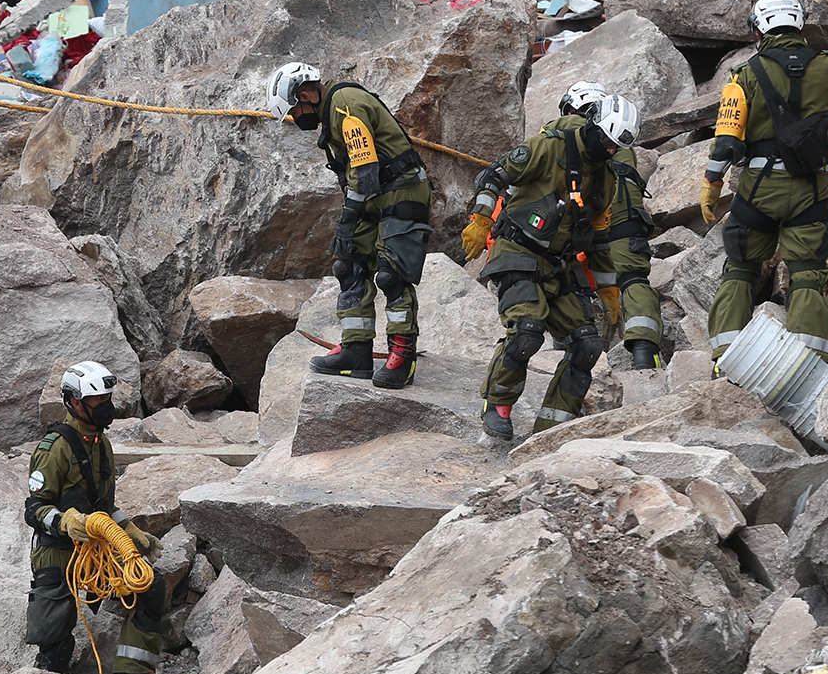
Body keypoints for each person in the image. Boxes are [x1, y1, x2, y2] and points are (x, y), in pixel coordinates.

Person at [460, 92, 640, 440]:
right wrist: (481, 219)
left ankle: (551, 429)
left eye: (616, 146)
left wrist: (608, 290)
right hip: (517, 251)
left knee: (587, 345)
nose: (609, 150)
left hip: (559, 265)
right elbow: (495, 175)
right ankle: (498, 404)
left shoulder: (606, 178)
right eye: (606, 141)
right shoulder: (549, 147)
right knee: (527, 329)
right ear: (593, 126)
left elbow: (600, 240)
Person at [700, 0, 828, 364]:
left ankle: (726, 360)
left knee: (740, 269)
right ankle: (812, 365)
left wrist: (711, 186)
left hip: (758, 191)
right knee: (807, 273)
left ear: (758, 31)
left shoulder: (742, 77)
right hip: (810, 188)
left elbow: (726, 143)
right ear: (799, 25)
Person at [268, 62, 434, 389]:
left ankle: (402, 355)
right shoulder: (330, 112)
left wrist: (348, 216)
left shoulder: (345, 105)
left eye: (293, 110)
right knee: (349, 264)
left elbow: (365, 166)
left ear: (304, 95)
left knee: (391, 273)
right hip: (376, 194)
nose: (295, 118)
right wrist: (350, 224)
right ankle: (356, 350)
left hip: (403, 190)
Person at [22, 361, 166, 674]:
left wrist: (129, 530)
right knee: (52, 637)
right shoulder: (53, 449)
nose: (107, 407)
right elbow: (35, 509)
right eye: (97, 400)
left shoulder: (102, 445)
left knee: (149, 585)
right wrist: (66, 522)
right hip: (58, 551)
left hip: (97, 548)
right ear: (74, 402)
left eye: (107, 398)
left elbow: (103, 506)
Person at [577, 95, 665, 370]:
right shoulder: (624, 147)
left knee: (569, 281)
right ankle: (645, 352)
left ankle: (576, 348)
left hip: (591, 222)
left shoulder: (577, 141)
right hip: (628, 222)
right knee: (634, 279)